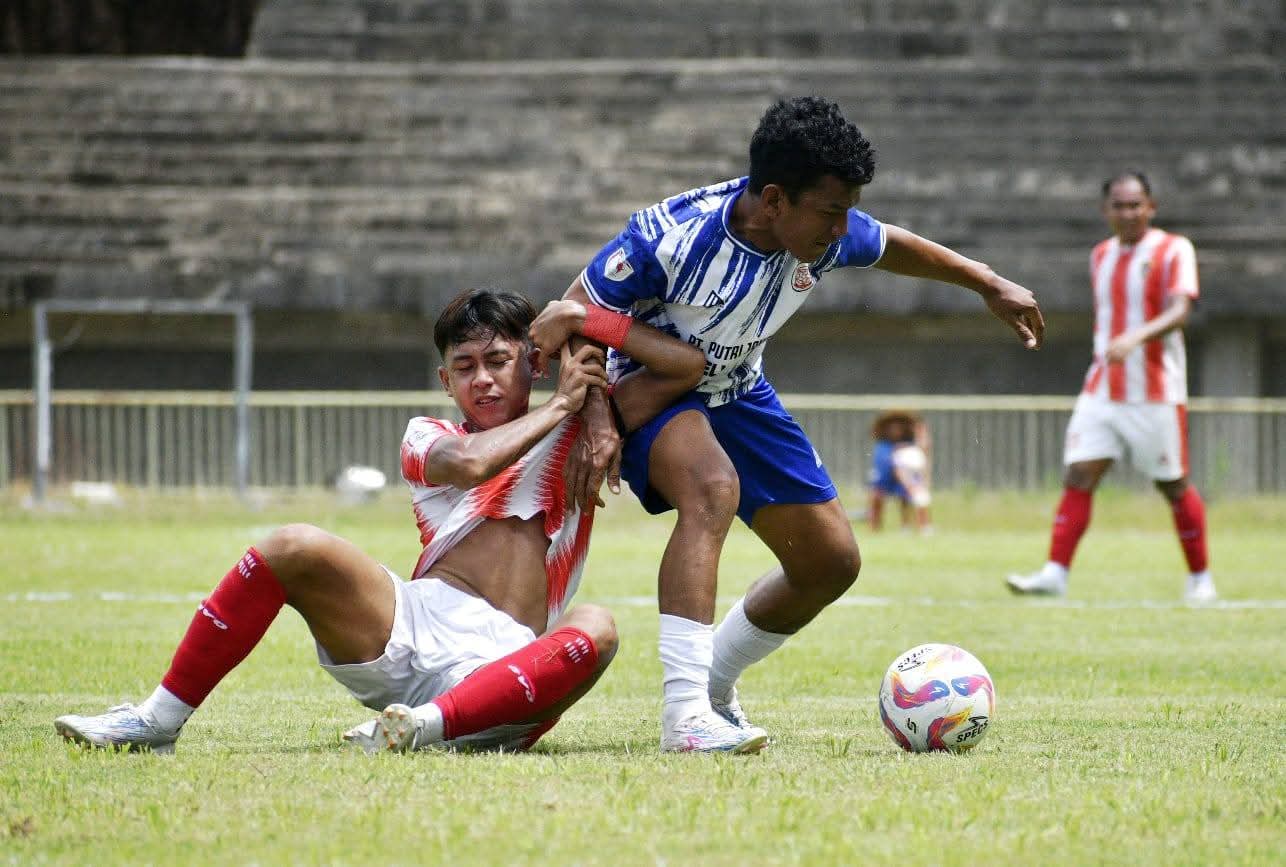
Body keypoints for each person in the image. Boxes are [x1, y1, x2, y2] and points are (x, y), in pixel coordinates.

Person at [530, 96, 1044, 752]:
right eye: (832, 212)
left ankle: (713, 681)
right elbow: (579, 308)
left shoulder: (824, 230)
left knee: (830, 562)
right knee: (713, 488)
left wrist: (987, 283)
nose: (843, 227)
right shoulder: (671, 236)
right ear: (774, 200)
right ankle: (683, 714)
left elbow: (895, 246)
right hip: (654, 391)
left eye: (848, 210)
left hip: (741, 391)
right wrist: (599, 418)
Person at [54, 287, 716, 755]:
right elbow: (471, 463)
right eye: (464, 368)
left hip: (511, 662)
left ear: (533, 361)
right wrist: (564, 406)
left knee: (598, 626)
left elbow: (690, 367)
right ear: (444, 380)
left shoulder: (583, 420)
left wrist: (584, 326)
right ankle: (156, 720)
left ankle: (426, 728)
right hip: (414, 626)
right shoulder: (426, 434)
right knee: (292, 544)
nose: (482, 380)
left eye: (498, 361)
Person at [1008, 171, 1215, 603]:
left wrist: (1136, 337)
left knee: (1172, 485)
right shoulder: (1100, 254)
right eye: (1119, 205)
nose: (1128, 212)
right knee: (1079, 473)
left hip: (1155, 391)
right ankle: (1055, 573)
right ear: (1106, 212)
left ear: (1151, 207)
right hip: (1102, 387)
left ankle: (1201, 579)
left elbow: (1180, 311)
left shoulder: (1174, 249)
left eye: (1136, 204)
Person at [867, 410, 933, 534]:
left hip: (904, 481)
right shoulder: (883, 446)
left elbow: (922, 455)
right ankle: (874, 528)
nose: (895, 430)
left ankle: (909, 526)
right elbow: (888, 466)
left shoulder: (910, 445)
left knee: (909, 497)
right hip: (885, 480)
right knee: (876, 496)